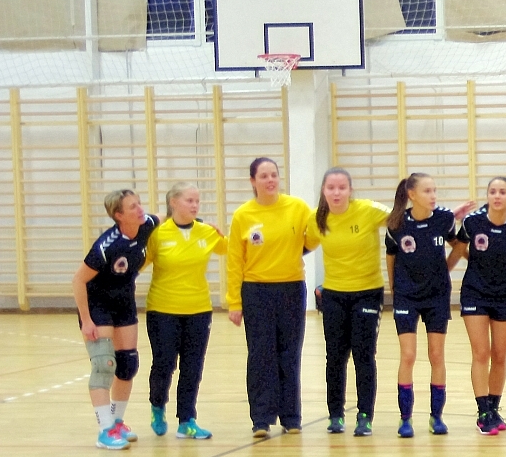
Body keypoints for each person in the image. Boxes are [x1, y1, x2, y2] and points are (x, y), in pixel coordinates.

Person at [227, 158, 320, 438]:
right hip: (256, 291)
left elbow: (313, 238)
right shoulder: (243, 215)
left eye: (274, 175)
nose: (270, 180)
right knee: (260, 354)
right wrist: (234, 302)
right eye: (264, 176)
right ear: (253, 181)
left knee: (290, 354)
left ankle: (291, 417)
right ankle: (261, 419)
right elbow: (235, 261)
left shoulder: (297, 208)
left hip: (291, 289)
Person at [385, 172, 469, 438]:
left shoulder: (443, 219)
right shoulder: (397, 223)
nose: (433, 196)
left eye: (434, 191)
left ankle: (436, 417)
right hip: (406, 296)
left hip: (436, 296)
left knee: (436, 355)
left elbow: (458, 246)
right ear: (412, 195)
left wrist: (448, 267)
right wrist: (395, 288)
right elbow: (391, 257)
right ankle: (405, 418)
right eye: (427, 191)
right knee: (408, 355)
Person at [72, 189, 157, 450]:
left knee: (128, 365)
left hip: (124, 304)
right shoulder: (106, 246)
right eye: (133, 207)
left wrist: (199, 224)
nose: (140, 209)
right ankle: (105, 430)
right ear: (119, 215)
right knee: (104, 365)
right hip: (97, 306)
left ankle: (117, 421)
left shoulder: (146, 225)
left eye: (139, 203)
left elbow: (170, 217)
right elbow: (78, 280)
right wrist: (86, 320)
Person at [143, 184, 225, 440]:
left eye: (197, 201)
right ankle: (157, 407)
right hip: (162, 309)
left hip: (198, 309)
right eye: (189, 200)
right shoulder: (158, 234)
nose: (195, 205)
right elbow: (138, 263)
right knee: (164, 363)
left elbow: (232, 250)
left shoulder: (206, 232)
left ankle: (187, 420)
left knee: (193, 366)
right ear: (173, 203)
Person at [315, 168, 389, 436]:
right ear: (324, 191)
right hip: (334, 295)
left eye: (342, 187)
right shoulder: (316, 218)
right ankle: (335, 415)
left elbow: (402, 219)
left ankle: (364, 416)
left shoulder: (368, 210)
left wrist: (445, 216)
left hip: (367, 293)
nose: (336, 193)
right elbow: (296, 244)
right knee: (335, 356)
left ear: (350, 190)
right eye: (331, 188)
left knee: (363, 355)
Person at [456, 176, 506, 435]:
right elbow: (458, 248)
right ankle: (482, 412)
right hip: (474, 293)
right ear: (487, 195)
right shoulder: (472, 222)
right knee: (481, 353)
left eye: (502, 192)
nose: (497, 196)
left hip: (504, 295)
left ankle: (494, 408)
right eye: (492, 192)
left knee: (500, 355)